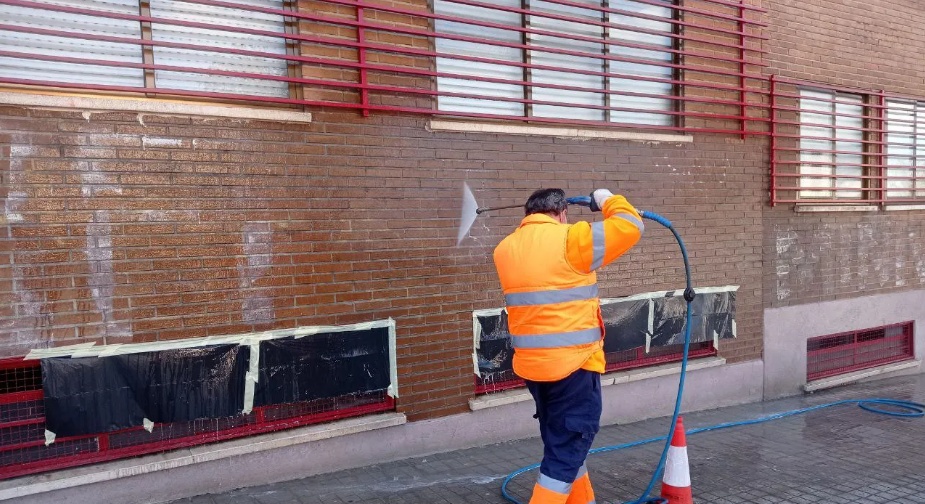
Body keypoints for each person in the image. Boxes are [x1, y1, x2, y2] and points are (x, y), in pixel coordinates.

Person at [492, 188, 644, 504]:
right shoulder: (570, 239)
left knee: (561, 442)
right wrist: (606, 199)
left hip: (534, 369)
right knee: (567, 450)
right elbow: (631, 224)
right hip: (574, 367)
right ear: (562, 213)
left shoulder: (505, 249)